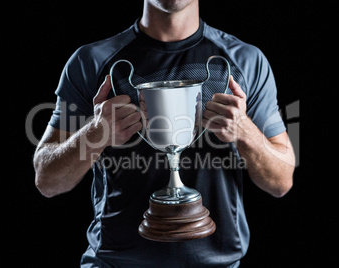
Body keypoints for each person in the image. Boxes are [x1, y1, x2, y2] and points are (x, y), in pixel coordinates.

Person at [33, 0, 295, 266]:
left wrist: (245, 132)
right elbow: (47, 180)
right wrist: (95, 133)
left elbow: (281, 181)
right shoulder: (91, 61)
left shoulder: (246, 61)